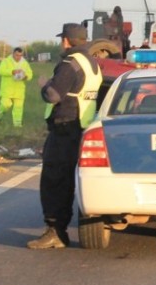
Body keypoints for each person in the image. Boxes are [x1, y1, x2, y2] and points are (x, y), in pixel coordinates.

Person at [27, 23, 102, 249]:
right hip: (82, 126)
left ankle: (55, 231)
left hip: (64, 127)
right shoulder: (92, 63)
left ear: (67, 41)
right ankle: (60, 230)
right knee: (68, 180)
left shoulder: (70, 64)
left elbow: (53, 95)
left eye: (62, 39)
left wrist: (44, 84)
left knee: (54, 181)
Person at [0, 47, 34, 127]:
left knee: (18, 108)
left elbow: (30, 74)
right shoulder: (6, 61)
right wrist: (12, 71)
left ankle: (17, 125)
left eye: (20, 55)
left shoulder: (25, 63)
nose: (19, 57)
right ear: (13, 53)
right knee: (5, 105)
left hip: (19, 90)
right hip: (7, 89)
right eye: (17, 55)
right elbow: (0, 71)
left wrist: (26, 77)